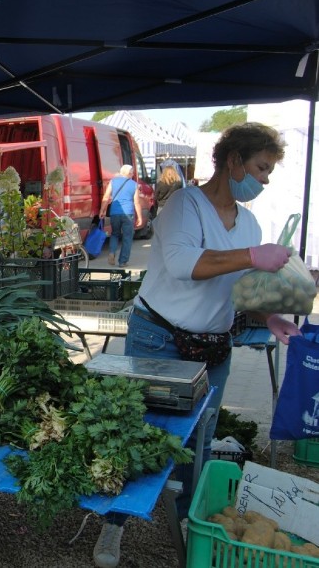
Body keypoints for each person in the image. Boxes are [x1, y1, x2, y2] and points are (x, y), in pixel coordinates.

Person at [93, 122, 296, 568]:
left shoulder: (250, 222)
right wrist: (250, 255)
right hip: (159, 336)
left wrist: (272, 316)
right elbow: (184, 264)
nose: (264, 180)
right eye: (261, 168)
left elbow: (244, 288)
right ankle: (114, 523)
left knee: (197, 436)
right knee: (138, 428)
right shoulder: (185, 205)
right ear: (234, 160)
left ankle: (188, 518)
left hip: (212, 346)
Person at [98, 164, 142, 267]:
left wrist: (102, 210)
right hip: (128, 213)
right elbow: (137, 202)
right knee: (127, 237)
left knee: (115, 234)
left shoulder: (113, 182)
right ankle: (123, 261)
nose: (132, 175)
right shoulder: (134, 184)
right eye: (132, 173)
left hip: (115, 213)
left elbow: (106, 197)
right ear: (130, 173)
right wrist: (139, 217)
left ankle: (112, 252)